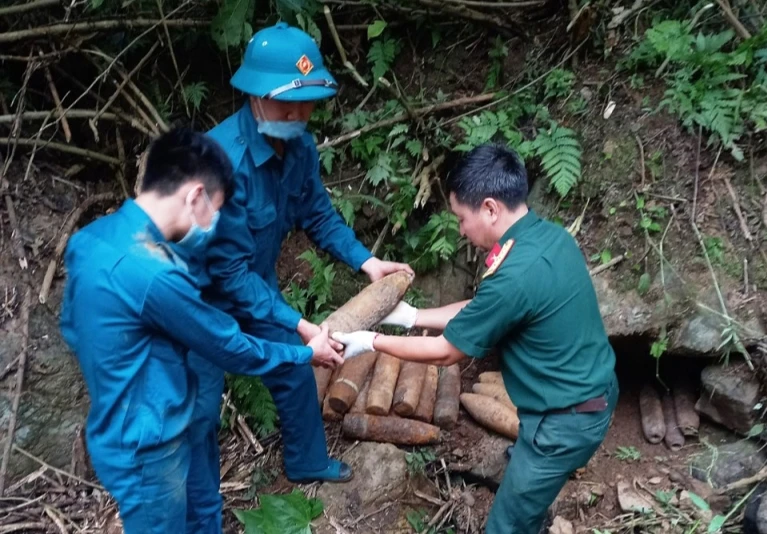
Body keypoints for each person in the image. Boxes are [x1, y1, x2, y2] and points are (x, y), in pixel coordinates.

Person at [173, 22, 413, 532]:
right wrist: (305, 329)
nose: (299, 115)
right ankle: (201, 521)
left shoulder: (298, 147)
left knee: (292, 368)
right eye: (288, 105)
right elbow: (229, 273)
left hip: (252, 285)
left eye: (307, 104)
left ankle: (305, 460)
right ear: (256, 96)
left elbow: (319, 215)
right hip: (194, 300)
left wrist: (369, 263)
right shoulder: (219, 164)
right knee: (196, 414)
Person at [60, 128, 343, 534]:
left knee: (203, 505)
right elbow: (229, 345)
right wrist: (304, 352)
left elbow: (73, 329)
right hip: (152, 444)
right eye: (216, 211)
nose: (213, 225)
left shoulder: (91, 240)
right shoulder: (154, 274)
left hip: (153, 419)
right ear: (194, 197)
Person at [334, 144, 618, 534]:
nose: (462, 229)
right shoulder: (545, 237)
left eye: (461, 218)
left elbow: (443, 352)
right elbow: (485, 305)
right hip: (593, 388)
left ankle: (528, 506)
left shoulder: (515, 273)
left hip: (564, 421)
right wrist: (412, 316)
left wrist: (372, 341)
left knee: (505, 526)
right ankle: (531, 490)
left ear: (489, 208)